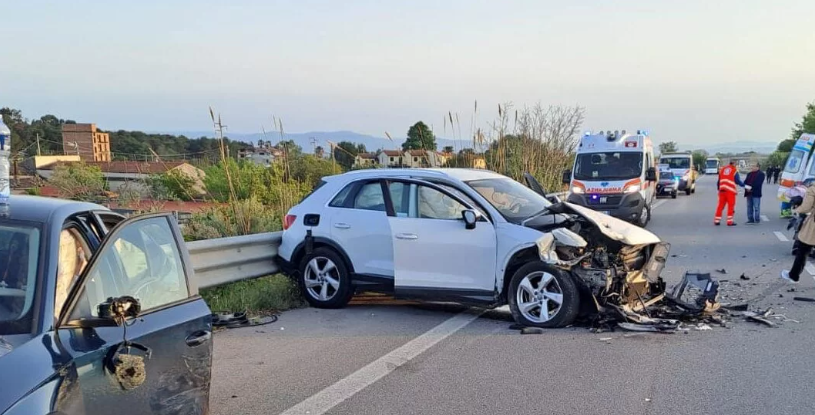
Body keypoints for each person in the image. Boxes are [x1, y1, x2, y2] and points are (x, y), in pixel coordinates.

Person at [782, 179, 815, 283]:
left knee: (803, 249)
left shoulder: (813, 189)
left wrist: (795, 210)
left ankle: (793, 276)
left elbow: (806, 207)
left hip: (813, 225)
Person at [715, 160, 745, 226]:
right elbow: (737, 181)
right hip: (730, 191)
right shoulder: (734, 170)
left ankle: (717, 220)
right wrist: (744, 185)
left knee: (720, 206)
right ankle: (729, 221)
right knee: (731, 206)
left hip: (722, 190)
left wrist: (719, 189)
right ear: (734, 164)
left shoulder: (723, 169)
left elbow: (718, 181)